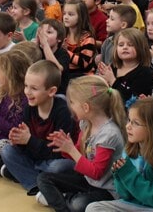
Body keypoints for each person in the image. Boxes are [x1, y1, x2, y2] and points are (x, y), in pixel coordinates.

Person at [36, 75, 127, 210]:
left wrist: (71, 149)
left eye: (72, 102)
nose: (71, 107)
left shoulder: (109, 134)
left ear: (86, 107)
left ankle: (65, 199)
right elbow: (80, 154)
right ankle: (67, 201)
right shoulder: (86, 123)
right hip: (87, 181)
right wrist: (65, 147)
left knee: (78, 205)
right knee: (43, 179)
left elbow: (96, 173)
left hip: (107, 190)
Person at [86, 97, 153, 212]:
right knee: (93, 208)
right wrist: (120, 175)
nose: (128, 126)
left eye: (135, 123)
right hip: (134, 205)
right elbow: (124, 195)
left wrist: (129, 174)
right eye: (129, 120)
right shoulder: (129, 151)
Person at [0, 60, 78, 196]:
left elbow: (58, 153)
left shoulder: (63, 112)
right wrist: (18, 141)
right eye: (26, 86)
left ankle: (27, 174)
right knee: (7, 150)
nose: (27, 92)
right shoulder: (29, 108)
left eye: (34, 88)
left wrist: (29, 140)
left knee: (58, 167)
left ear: (51, 91)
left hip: (55, 160)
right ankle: (36, 184)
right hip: (37, 158)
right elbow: (27, 146)